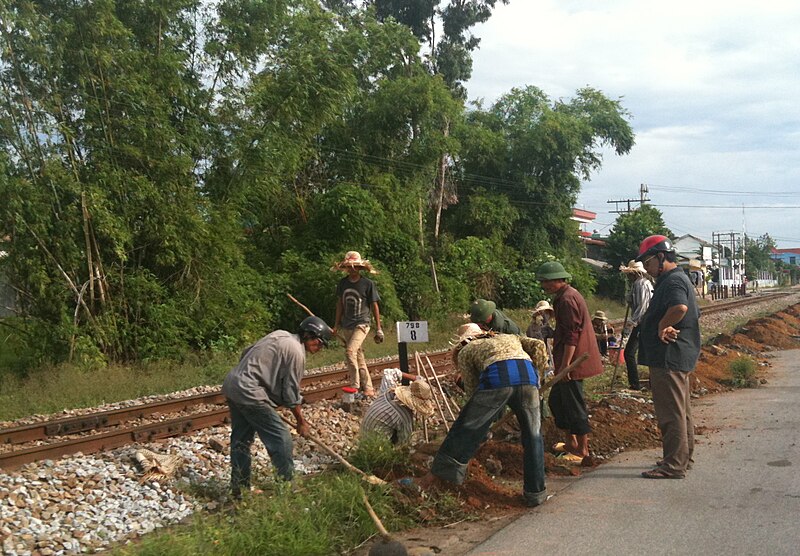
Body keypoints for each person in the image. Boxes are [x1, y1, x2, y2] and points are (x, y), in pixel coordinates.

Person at [417, 323, 550, 507]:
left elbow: (472, 391)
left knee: (466, 427)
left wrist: (479, 422)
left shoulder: (466, 351)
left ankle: (439, 477)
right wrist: (538, 375)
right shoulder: (509, 337)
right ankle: (536, 494)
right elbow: (538, 345)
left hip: (498, 379)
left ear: (463, 341)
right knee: (533, 436)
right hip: (528, 378)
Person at [222, 316, 333, 497]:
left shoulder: (280, 334)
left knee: (241, 440)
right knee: (281, 438)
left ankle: (239, 488)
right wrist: (300, 422)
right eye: (320, 343)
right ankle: (287, 487)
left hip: (233, 385)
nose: (320, 348)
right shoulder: (297, 353)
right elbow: (291, 393)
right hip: (250, 393)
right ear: (310, 336)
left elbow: (246, 352)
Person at [635, 235, 700, 479]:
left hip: (668, 358)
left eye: (648, 262)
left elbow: (679, 308)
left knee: (671, 414)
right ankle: (682, 457)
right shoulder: (676, 279)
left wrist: (663, 324)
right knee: (681, 411)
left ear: (661, 257)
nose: (647, 268)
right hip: (676, 356)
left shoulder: (672, 281)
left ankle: (673, 465)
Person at [536, 261, 603, 462]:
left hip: (573, 362)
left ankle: (582, 450)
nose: (544, 286)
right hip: (567, 361)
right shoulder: (563, 297)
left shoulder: (567, 300)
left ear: (558, 280)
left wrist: (565, 367)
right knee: (557, 401)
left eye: (546, 282)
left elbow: (572, 336)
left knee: (574, 405)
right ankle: (571, 442)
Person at [332, 251, 383, 397]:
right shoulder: (343, 283)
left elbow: (374, 306)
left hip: (362, 323)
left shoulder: (368, 284)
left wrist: (379, 328)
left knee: (350, 352)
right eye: (349, 267)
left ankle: (354, 385)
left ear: (360, 268)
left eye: (354, 267)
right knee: (359, 357)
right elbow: (340, 305)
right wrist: (336, 325)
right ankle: (369, 388)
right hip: (347, 324)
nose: (352, 269)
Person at [360, 380, 435, 445]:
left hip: (363, 436)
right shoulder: (404, 415)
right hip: (377, 447)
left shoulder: (387, 393)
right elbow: (404, 442)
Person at [620, 259, 654, 391]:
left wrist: (630, 325)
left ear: (635, 274)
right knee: (647, 353)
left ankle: (635, 384)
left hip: (643, 323)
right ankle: (648, 383)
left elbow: (641, 308)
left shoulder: (641, 284)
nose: (628, 277)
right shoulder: (637, 284)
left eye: (629, 274)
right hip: (643, 322)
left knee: (629, 353)